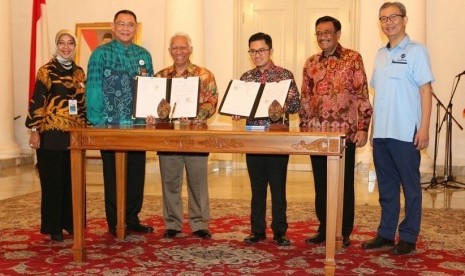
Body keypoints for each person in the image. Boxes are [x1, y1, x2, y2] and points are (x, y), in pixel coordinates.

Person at [362, 2, 433, 255]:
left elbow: (426, 91)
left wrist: (423, 128)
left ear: (404, 20)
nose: (388, 22)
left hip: (405, 132)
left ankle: (409, 236)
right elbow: (378, 95)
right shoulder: (380, 54)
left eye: (393, 17)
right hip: (381, 134)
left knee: (410, 187)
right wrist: (372, 129)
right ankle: (385, 233)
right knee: (387, 186)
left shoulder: (417, 52)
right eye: (383, 18)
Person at [299, 16, 373, 248]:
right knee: (321, 184)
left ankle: (343, 231)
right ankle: (324, 228)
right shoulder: (310, 63)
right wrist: (304, 131)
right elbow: (304, 99)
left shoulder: (353, 58)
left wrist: (363, 127)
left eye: (327, 32)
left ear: (338, 34)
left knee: (343, 184)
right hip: (316, 135)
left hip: (344, 134)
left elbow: (362, 94)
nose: (323, 36)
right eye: (319, 33)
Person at [86, 9, 154, 235]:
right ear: (113, 27)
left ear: (136, 28)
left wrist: (151, 113)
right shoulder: (100, 54)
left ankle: (132, 219)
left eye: (130, 24)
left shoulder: (144, 55)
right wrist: (97, 123)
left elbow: (151, 89)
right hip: (110, 127)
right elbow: (93, 88)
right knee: (113, 176)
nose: (126, 28)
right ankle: (115, 222)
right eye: (121, 24)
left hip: (138, 127)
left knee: (135, 175)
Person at [147, 32, 218, 239]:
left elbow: (211, 103)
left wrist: (192, 112)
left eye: (183, 47)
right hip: (167, 136)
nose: (179, 51)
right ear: (170, 51)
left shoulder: (204, 75)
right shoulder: (160, 77)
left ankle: (199, 224)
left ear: (190, 50)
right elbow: (151, 102)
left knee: (198, 182)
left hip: (195, 135)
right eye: (175, 48)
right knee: (170, 181)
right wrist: (150, 114)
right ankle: (172, 223)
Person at [232, 32, 300, 246]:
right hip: (253, 139)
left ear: (270, 51)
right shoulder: (246, 78)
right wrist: (236, 110)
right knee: (257, 188)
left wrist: (278, 107)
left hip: (278, 140)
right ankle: (257, 231)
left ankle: (280, 231)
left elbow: (296, 105)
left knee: (278, 188)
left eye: (261, 50)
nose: (257, 54)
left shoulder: (284, 75)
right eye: (252, 51)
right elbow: (241, 106)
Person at [26, 29, 87, 242]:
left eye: (70, 43)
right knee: (53, 181)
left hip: (74, 136)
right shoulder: (46, 71)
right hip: (51, 134)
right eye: (62, 43)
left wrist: (87, 128)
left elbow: (81, 105)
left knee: (72, 181)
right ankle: (53, 226)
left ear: (75, 46)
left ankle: (70, 222)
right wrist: (34, 131)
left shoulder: (79, 72)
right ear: (56, 45)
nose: (66, 47)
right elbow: (37, 102)